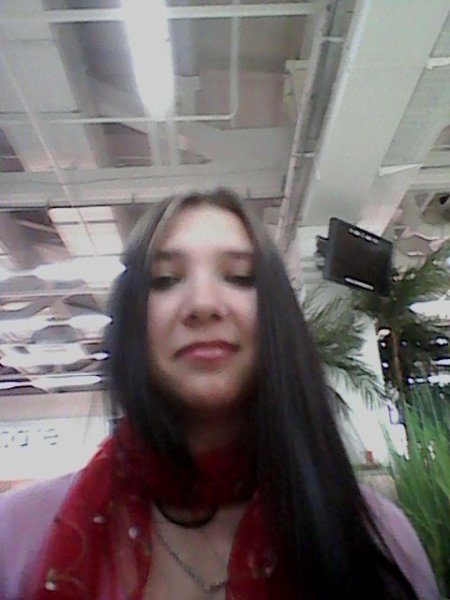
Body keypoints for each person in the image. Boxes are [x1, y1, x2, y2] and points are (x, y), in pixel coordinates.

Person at [0, 189, 440, 599]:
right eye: (165, 280)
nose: (203, 304)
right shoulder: (16, 536)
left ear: (276, 320)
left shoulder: (376, 538)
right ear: (132, 323)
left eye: (239, 276)